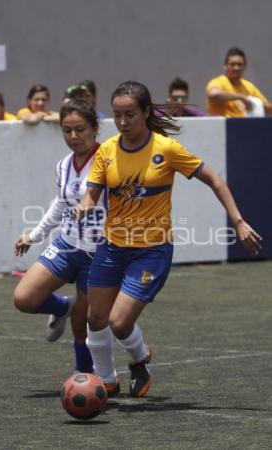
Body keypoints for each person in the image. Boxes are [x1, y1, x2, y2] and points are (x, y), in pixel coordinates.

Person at [73, 80, 262, 398]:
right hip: (111, 247)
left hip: (151, 252)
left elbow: (214, 178)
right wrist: (86, 203)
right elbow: (92, 191)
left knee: (119, 323)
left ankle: (140, 357)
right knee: (95, 317)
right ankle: (106, 381)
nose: (122, 122)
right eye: (118, 115)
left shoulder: (166, 149)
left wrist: (239, 222)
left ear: (145, 112)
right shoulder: (106, 150)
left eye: (130, 114)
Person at [13, 100, 107, 374]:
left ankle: (84, 378)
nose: (74, 136)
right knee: (24, 298)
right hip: (66, 245)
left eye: (80, 129)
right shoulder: (64, 165)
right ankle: (62, 306)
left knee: (83, 324)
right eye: (67, 131)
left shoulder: (108, 161)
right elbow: (60, 202)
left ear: (95, 128)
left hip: (97, 254)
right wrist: (34, 235)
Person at [206, 47, 272, 117]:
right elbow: (213, 95)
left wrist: (254, 104)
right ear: (225, 66)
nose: (236, 68)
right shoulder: (218, 81)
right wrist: (242, 97)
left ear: (245, 66)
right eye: (232, 64)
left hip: (243, 126)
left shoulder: (249, 86)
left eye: (239, 64)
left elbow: (268, 108)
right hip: (223, 126)